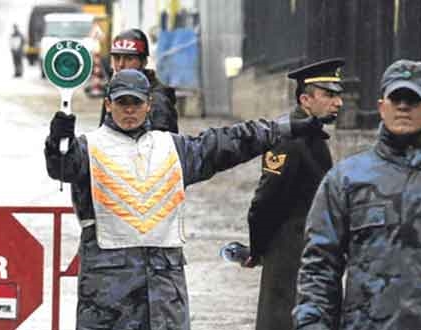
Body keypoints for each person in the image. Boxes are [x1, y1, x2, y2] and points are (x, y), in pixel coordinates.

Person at [44, 69, 327, 330]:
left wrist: (285, 128)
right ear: (108, 105)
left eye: (136, 103)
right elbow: (62, 167)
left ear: (149, 105)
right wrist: (57, 142)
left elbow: (230, 142)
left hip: (164, 295)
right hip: (107, 298)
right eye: (122, 103)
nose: (129, 110)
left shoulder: (174, 149)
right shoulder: (87, 149)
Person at [293, 59, 421, 330]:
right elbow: (320, 266)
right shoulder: (347, 180)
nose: (403, 107)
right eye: (396, 98)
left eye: (413, 100)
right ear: (381, 107)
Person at [224, 58, 345, 330]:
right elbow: (265, 201)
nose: (339, 103)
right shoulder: (289, 139)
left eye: (339, 95)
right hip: (288, 256)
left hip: (307, 253)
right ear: (305, 99)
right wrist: (257, 249)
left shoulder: (312, 136)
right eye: (329, 95)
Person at [98, 28, 179, 133]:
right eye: (117, 58)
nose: (121, 64)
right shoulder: (112, 90)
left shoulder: (158, 101)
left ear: (144, 62)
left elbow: (162, 145)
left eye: (129, 58)